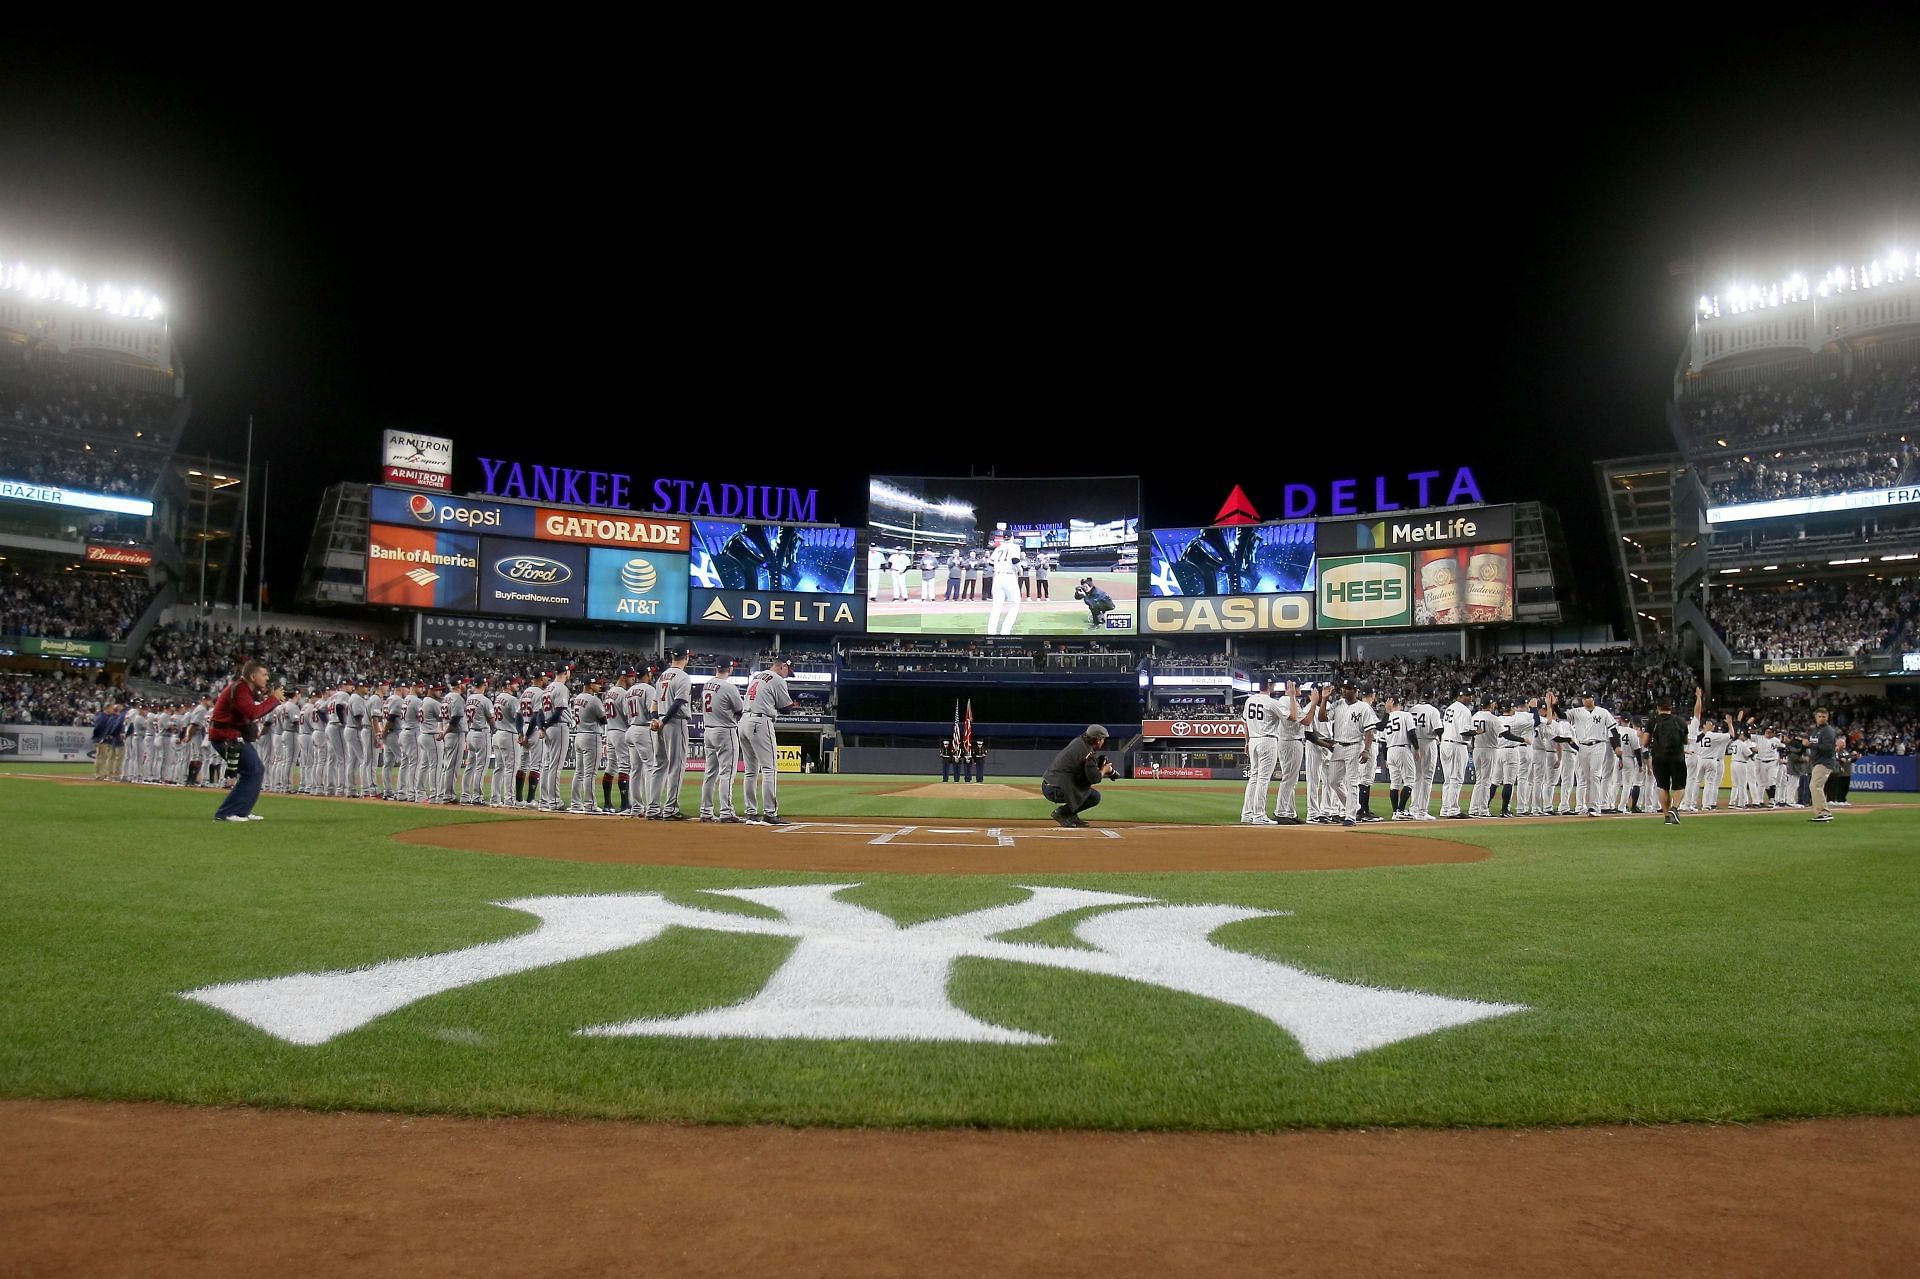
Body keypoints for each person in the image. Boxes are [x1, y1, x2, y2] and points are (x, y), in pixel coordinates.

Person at [207, 660, 281, 822]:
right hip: (225, 735)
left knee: (255, 770)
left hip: (230, 735)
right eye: (264, 674)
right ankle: (227, 812)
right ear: (253, 677)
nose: (267, 678)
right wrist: (273, 699)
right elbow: (252, 712)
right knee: (252, 771)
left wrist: (267, 696)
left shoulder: (243, 688)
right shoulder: (240, 688)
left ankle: (241, 811)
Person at [739, 656, 797, 825]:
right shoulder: (777, 679)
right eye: (788, 671)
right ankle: (770, 813)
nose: (787, 675)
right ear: (782, 666)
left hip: (743, 722)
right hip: (760, 722)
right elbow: (787, 709)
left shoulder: (757, 676)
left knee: (750, 771)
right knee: (769, 768)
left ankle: (750, 812)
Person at [646, 649, 695, 820]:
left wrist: (655, 719)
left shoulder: (662, 676)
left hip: (659, 721)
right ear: (686, 658)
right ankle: (670, 809)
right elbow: (679, 702)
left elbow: (654, 702)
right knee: (676, 766)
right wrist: (664, 721)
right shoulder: (682, 677)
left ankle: (652, 809)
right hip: (674, 722)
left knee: (659, 765)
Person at [1042, 725, 1117, 828]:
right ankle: (1061, 813)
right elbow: (1095, 778)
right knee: (1094, 797)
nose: (1103, 741)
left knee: (1092, 795)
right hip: (1055, 789)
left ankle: (1071, 815)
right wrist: (1105, 770)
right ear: (1098, 740)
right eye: (1103, 738)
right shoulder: (1087, 752)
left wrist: (1097, 764)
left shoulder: (1079, 742)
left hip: (1050, 785)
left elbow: (1083, 768)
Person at [699, 660, 744, 823]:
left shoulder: (707, 685)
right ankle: (726, 811)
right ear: (730, 669)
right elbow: (740, 710)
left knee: (710, 773)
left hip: (709, 730)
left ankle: (706, 811)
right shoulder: (729, 687)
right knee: (727, 773)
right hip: (725, 731)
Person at [1240, 678, 1282, 825]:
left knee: (1254, 778)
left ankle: (1247, 814)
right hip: (1267, 740)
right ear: (1269, 685)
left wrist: (1246, 742)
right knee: (1263, 779)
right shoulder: (1271, 702)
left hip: (1253, 740)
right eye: (1274, 684)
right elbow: (1290, 718)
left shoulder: (1249, 700)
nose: (1275, 686)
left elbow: (1245, 724)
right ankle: (1259, 815)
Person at [1643, 696, 1688, 824]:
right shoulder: (1680, 721)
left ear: (1658, 707)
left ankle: (1666, 815)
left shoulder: (1652, 721)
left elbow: (1645, 742)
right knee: (1680, 786)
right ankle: (1675, 808)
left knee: (1663, 786)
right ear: (1671, 707)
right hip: (1677, 756)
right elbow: (1685, 740)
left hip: (1659, 757)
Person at [1805, 707, 1838, 823]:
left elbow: (1829, 748)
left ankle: (1824, 812)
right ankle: (1822, 812)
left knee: (1815, 786)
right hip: (1817, 761)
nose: (1822, 718)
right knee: (1816, 786)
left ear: (1827, 717)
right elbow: (1810, 744)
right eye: (1819, 716)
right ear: (1815, 717)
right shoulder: (1814, 731)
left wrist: (1810, 745)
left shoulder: (1828, 731)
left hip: (1825, 762)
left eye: (1824, 716)